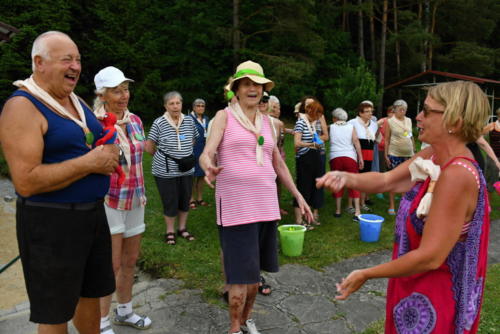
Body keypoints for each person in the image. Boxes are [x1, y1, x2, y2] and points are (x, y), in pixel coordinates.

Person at [317, 80, 491, 333]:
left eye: (428, 111)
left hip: (434, 297)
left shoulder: (456, 175)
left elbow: (430, 257)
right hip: (414, 287)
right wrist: (347, 178)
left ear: (454, 122)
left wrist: (367, 273)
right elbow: (388, 180)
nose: (418, 116)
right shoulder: (433, 155)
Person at [0, 31, 118, 334]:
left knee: (91, 294)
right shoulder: (22, 106)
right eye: (67, 59)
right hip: (50, 222)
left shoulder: (74, 101)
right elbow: (25, 181)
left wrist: (110, 150)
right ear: (39, 63)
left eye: (78, 59)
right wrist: (91, 163)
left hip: (91, 215)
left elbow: (92, 140)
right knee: (55, 312)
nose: (76, 66)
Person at [200, 60, 312, 334]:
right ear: (236, 89)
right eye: (247, 84)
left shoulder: (270, 124)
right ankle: (234, 328)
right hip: (236, 208)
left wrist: (298, 194)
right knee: (239, 278)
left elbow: (279, 163)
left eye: (258, 85)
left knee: (254, 279)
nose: (253, 89)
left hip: (265, 206)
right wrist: (207, 166)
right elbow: (207, 151)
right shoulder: (224, 116)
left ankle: (246, 319)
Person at [92, 67, 151, 333]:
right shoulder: (94, 124)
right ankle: (101, 321)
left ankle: (124, 311)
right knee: (110, 264)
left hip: (136, 199)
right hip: (110, 201)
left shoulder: (136, 121)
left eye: (125, 89)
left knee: (130, 260)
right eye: (117, 90)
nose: (123, 95)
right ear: (102, 94)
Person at [145, 91, 198, 245]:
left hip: (186, 170)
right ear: (165, 106)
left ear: (182, 104)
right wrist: (165, 158)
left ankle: (182, 228)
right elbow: (149, 146)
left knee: (185, 199)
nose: (175, 106)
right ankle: (170, 231)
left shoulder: (189, 121)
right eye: (171, 103)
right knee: (170, 201)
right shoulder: (159, 123)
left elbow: (193, 140)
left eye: (178, 103)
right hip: (165, 171)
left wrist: (183, 155)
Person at [293, 99, 325, 229]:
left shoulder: (312, 123)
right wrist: (312, 144)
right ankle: (299, 220)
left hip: (314, 157)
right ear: (311, 111)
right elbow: (296, 143)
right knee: (303, 187)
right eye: (317, 114)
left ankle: (308, 217)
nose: (318, 117)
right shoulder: (301, 122)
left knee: (312, 188)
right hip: (305, 159)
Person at [328, 108, 364, 220]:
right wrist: (360, 158)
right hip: (350, 157)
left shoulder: (331, 127)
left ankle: (338, 211)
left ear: (334, 118)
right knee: (354, 183)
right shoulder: (350, 127)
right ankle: (357, 212)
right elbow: (356, 142)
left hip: (335, 157)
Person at [384, 99, 415, 215]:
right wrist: (386, 155)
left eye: (405, 109)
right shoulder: (390, 121)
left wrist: (413, 148)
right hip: (394, 154)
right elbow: (386, 139)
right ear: (395, 110)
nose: (403, 111)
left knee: (406, 180)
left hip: (408, 155)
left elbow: (409, 135)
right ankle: (391, 205)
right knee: (394, 179)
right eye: (401, 109)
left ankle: (403, 204)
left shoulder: (409, 121)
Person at [347, 100, 378, 213]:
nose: (370, 114)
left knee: (365, 179)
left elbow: (374, 140)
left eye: (371, 111)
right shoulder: (352, 122)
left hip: (369, 154)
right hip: (356, 153)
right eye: (367, 112)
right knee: (354, 179)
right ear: (360, 113)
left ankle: (362, 202)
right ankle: (350, 205)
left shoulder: (374, 125)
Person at [189, 98, 210, 208]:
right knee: (192, 176)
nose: (201, 107)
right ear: (193, 107)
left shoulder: (206, 119)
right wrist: (187, 140)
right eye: (198, 105)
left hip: (204, 150)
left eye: (202, 106)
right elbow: (180, 135)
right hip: (192, 151)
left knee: (201, 175)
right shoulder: (188, 119)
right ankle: (191, 199)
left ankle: (200, 198)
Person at [374, 106, 395, 199]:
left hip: (393, 150)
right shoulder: (382, 121)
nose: (394, 115)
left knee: (392, 171)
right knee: (381, 171)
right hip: (381, 148)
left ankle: (391, 191)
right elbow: (374, 132)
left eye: (395, 112)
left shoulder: (398, 123)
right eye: (392, 112)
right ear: (388, 113)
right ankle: (379, 190)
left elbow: (405, 134)